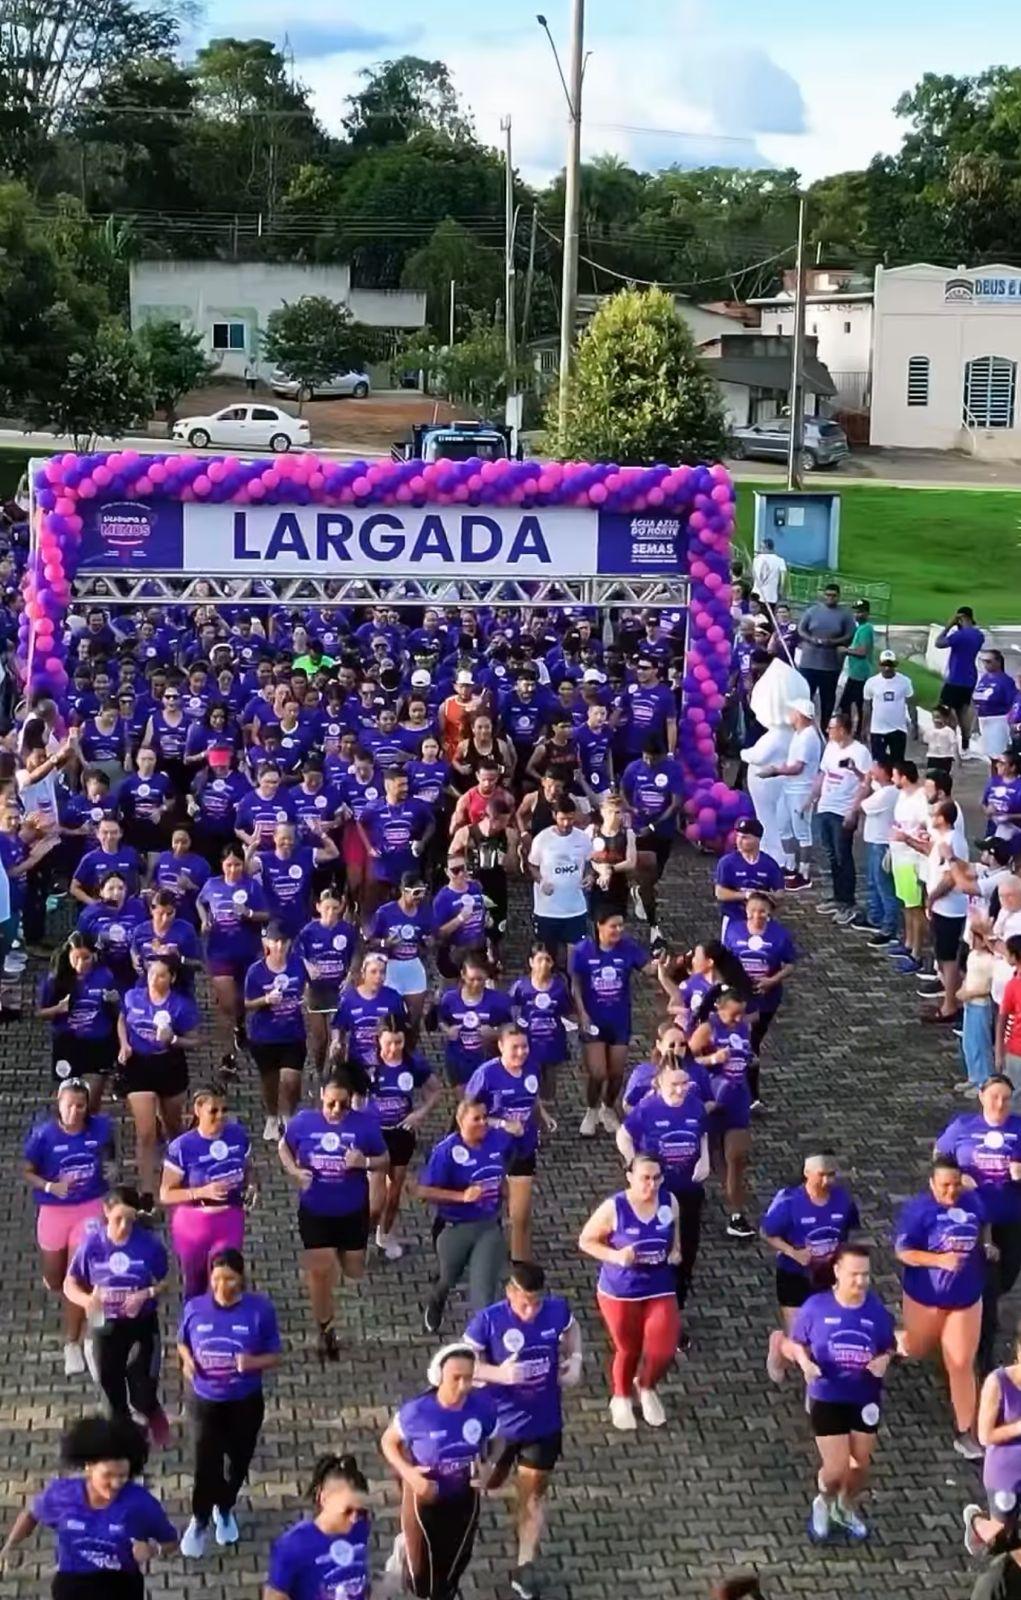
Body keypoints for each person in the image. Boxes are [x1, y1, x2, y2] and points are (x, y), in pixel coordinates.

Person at [464, 1262, 582, 1600]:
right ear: (510, 1293)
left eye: (535, 1302)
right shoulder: (489, 1320)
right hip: (500, 1427)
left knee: (532, 1495)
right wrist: (499, 1375)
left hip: (543, 1424)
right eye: (523, 1303)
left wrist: (575, 1361)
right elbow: (462, 1365)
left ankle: (525, 1564)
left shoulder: (556, 1310)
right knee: (488, 1483)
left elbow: (573, 1332)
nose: (530, 1310)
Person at [785, 1243, 896, 1543]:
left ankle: (844, 1508)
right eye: (854, 1275)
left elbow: (889, 1346)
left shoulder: (876, 1312)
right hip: (828, 1395)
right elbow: (797, 1342)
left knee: (859, 1465)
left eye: (866, 1275)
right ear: (837, 1271)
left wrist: (885, 1359)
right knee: (834, 1470)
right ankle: (823, 1502)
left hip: (864, 1397)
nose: (860, 1282)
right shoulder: (816, 1308)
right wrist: (805, 1363)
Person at [0, 1413, 176, 1598]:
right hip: (73, 1582)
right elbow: (31, 1514)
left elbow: (171, 1542)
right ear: (88, 1467)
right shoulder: (61, 1494)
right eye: (108, 1475)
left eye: (123, 1476)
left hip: (121, 1585)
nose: (116, 1483)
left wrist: (153, 1550)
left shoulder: (142, 1504)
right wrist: (9, 1547)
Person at [177, 1248, 281, 1559]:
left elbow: (275, 1355)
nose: (222, 1287)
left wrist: (252, 1362)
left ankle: (225, 1507)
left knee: (237, 1462)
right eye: (217, 1279)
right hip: (204, 1402)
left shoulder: (259, 1311)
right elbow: (182, 1342)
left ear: (242, 1279)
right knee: (205, 1465)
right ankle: (200, 1519)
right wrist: (186, 1363)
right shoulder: (195, 1308)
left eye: (230, 1280)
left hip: (244, 1402)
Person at [277, 1068, 387, 1363]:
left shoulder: (365, 1125)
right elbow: (283, 1147)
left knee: (352, 1270)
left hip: (352, 1211)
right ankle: (325, 1328)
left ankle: (331, 1270)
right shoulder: (303, 1123)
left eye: (343, 1104)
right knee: (320, 1271)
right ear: (320, 1097)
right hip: (315, 1211)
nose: (337, 1110)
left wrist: (363, 1161)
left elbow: (384, 1160)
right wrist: (295, 1172)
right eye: (331, 1104)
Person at [380, 1344, 497, 1600]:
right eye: (456, 1378)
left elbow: (497, 1438)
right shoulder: (417, 1412)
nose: (463, 1385)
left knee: (454, 1564)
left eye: (469, 1377)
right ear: (438, 1376)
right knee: (422, 1580)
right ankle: (406, 1560)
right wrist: (408, 1474)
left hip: (465, 1496)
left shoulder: (483, 1407)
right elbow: (388, 1441)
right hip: (424, 1497)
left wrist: (490, 1467)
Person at [895, 1154, 988, 1458]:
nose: (951, 1192)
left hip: (965, 1299)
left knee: (961, 1363)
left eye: (956, 1185)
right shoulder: (919, 1212)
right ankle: (886, 1345)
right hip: (926, 1299)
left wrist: (987, 1246)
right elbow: (904, 1252)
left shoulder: (973, 1203)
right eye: (945, 1186)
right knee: (915, 1348)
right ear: (932, 1185)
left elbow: (981, 1228)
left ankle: (966, 1433)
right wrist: (939, 1260)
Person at [579, 1153, 681, 1430]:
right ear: (630, 1177)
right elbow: (586, 1240)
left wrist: (675, 1252)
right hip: (620, 1291)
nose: (652, 1185)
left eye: (657, 1178)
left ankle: (646, 1386)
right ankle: (621, 1396)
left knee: (664, 1348)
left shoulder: (669, 1201)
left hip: (659, 1286)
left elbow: (675, 1236)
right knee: (629, 1348)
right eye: (645, 1178)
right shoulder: (615, 1207)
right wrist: (615, 1256)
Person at [64, 1186, 171, 1448]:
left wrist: (146, 1294)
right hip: (105, 1326)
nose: (124, 1226)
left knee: (142, 1389)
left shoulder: (149, 1245)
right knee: (112, 1394)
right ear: (106, 1212)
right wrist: (87, 1300)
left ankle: (154, 1414)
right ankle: (125, 1439)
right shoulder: (91, 1245)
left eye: (130, 1219)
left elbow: (167, 1281)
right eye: (118, 1219)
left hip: (142, 1325)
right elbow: (70, 1283)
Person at [24, 1080, 113, 1376]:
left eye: (80, 1105)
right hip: (53, 1210)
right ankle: (63, 1289)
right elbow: (26, 1170)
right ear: (58, 1103)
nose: (74, 1111)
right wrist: (51, 1186)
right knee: (55, 1278)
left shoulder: (100, 1128)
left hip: (89, 1208)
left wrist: (111, 1170)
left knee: (77, 1277)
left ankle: (73, 1342)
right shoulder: (43, 1135)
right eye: (68, 1105)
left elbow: (110, 1154)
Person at [936, 1076, 1021, 1375]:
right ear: (982, 1096)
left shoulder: (1018, 1128)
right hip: (970, 1221)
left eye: (1006, 1099)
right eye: (995, 1097)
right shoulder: (963, 1127)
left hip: (1010, 1218)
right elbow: (939, 1158)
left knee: (1006, 1278)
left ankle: (964, 1317)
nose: (1000, 1104)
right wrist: (958, 1179)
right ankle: (980, 1357)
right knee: (987, 1285)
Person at [617, 1058, 710, 1310]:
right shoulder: (647, 1108)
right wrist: (634, 1165)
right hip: (655, 1192)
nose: (680, 1089)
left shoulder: (695, 1106)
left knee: (686, 1249)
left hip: (687, 1188)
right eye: (674, 1084)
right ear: (659, 1083)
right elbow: (623, 1136)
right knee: (656, 1246)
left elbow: (702, 1133)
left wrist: (705, 1159)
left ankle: (677, 1303)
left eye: (684, 1083)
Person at [415, 1097, 512, 1333]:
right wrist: (462, 1197)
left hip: (488, 1225)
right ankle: (437, 1299)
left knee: (485, 1286)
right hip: (454, 1226)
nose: (482, 1123)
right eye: (475, 1119)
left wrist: (507, 1202)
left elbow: (502, 1173)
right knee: (449, 1276)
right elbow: (423, 1191)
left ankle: (484, 1336)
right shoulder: (446, 1151)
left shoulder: (496, 1142)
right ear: (460, 1121)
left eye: (484, 1118)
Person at [762, 1151, 861, 1378]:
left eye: (832, 1175)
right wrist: (793, 1253)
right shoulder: (788, 1202)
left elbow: (846, 1234)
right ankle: (779, 1345)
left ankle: (817, 1391)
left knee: (825, 1336)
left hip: (827, 1276)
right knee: (800, 1340)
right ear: (807, 1174)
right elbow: (766, 1232)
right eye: (822, 1175)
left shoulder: (842, 1200)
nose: (827, 1181)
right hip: (794, 1275)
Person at [116, 958, 200, 1206]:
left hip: (169, 1065)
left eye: (162, 975)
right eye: (152, 974)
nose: (155, 979)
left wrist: (174, 1040)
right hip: (138, 1066)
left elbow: (195, 1041)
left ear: (172, 978)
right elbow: (122, 1019)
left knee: (173, 1128)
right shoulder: (133, 996)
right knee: (145, 1133)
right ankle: (147, 1192)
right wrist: (124, 1044)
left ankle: (179, 1172)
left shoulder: (181, 1006)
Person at [466, 1022, 551, 1264]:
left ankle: (519, 1262)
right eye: (515, 1048)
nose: (521, 1053)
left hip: (523, 1147)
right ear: (501, 1046)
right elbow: (468, 1113)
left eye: (524, 1047)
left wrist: (542, 1116)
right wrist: (502, 1124)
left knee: (521, 1214)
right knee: (488, 1207)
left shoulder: (532, 1069)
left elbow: (531, 1100)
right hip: (491, 1148)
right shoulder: (486, 1074)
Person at [160, 1088, 254, 1299]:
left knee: (227, 1276)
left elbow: (247, 1167)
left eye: (224, 1110)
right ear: (198, 1110)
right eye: (214, 1111)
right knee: (195, 1282)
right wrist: (202, 1191)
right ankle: (194, 1327)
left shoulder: (237, 1135)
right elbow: (166, 1194)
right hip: (194, 1223)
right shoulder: (182, 1147)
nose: (220, 1116)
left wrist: (252, 1186)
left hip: (229, 1217)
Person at [367, 1017, 443, 1261]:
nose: (393, 1049)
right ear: (378, 1041)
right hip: (375, 1135)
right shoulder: (368, 1066)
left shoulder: (413, 1064)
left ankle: (385, 1235)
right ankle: (357, 1240)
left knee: (394, 1191)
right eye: (388, 1043)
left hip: (402, 1133)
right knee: (374, 1199)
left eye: (398, 1043)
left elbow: (437, 1090)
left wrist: (421, 1113)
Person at [570, 909, 649, 1136]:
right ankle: (591, 1110)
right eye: (613, 926)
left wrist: (666, 965)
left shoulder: (628, 948)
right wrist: (582, 1013)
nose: (619, 931)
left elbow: (648, 969)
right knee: (598, 1073)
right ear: (599, 926)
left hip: (619, 1021)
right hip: (593, 1021)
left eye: (621, 926)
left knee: (616, 1074)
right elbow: (575, 983)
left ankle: (607, 1108)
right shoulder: (583, 950)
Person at [689, 986, 756, 1239]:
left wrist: (749, 1058)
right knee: (712, 1154)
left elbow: (744, 1051)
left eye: (742, 1014)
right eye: (734, 1015)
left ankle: (736, 1214)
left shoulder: (742, 1026)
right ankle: (696, 1191)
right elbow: (686, 1059)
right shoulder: (708, 1028)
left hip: (737, 1095)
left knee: (737, 1157)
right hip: (712, 1095)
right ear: (720, 1008)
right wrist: (713, 1059)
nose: (739, 1020)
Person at [196, 843, 269, 1077]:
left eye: (237, 864)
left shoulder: (252, 886)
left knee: (240, 1001)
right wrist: (204, 920)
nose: (233, 870)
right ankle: (227, 1057)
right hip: (219, 952)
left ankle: (241, 1025)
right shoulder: (212, 885)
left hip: (248, 951)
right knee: (225, 1005)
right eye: (229, 865)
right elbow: (200, 902)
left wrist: (248, 914)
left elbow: (266, 914)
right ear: (222, 864)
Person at [723, 892, 797, 1104]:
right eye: (753, 911)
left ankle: (748, 1091)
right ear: (746, 911)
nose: (757, 916)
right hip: (739, 997)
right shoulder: (734, 930)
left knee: (752, 1040)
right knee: (743, 1040)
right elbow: (726, 960)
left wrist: (772, 981)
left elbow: (790, 964)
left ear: (770, 913)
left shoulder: (780, 935)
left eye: (762, 911)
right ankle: (745, 1090)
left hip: (766, 998)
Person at [264, 1454, 371, 1600]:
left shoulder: (360, 1527)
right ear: (324, 1499)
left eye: (360, 1511)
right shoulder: (292, 1546)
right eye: (347, 1511)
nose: (354, 1519)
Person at [37, 933, 120, 1110]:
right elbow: (40, 1013)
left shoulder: (105, 976)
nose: (81, 964)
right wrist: (58, 1009)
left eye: (86, 958)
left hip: (98, 1043)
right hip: (67, 1044)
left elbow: (117, 1009)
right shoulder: (55, 980)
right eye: (76, 958)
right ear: (68, 955)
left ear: (94, 955)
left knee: (90, 1103)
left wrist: (114, 1001)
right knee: (68, 1104)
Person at [244, 922, 308, 1140]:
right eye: (275, 942)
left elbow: (307, 988)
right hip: (265, 1036)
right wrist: (265, 1000)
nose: (279, 946)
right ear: (267, 944)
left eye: (283, 942)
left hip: (293, 1033)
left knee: (291, 1081)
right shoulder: (256, 971)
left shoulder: (298, 964)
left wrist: (307, 997)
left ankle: (288, 1117)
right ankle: (272, 1117)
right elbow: (247, 1003)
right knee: (269, 1081)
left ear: (289, 944)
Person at [963, 1326, 1021, 1558]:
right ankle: (977, 1523)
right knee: (999, 1537)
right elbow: (985, 1436)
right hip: (1005, 1472)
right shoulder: (998, 1382)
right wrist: (1017, 1428)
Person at [810, 713, 870, 924]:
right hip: (826, 806)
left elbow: (866, 783)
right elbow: (823, 774)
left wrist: (854, 811)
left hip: (843, 810)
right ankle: (837, 896)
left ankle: (847, 900)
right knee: (831, 854)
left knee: (843, 855)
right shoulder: (830, 747)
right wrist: (813, 797)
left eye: (831, 728)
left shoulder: (860, 752)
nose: (828, 731)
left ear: (842, 730)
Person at [294, 884, 358, 1077]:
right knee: (320, 1038)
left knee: (339, 1038)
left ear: (341, 908)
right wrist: (307, 965)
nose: (330, 912)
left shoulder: (347, 930)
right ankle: (319, 1069)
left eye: (335, 908)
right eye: (326, 907)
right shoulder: (308, 932)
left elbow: (356, 955)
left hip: (339, 990)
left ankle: (337, 1073)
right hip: (316, 991)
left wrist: (351, 975)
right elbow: (297, 955)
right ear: (318, 907)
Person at [528, 798, 593, 966]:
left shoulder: (583, 839)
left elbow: (589, 863)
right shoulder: (542, 839)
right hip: (547, 910)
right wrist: (541, 881)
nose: (566, 823)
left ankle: (573, 988)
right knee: (549, 959)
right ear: (554, 816)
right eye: (562, 818)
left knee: (575, 961)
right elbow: (532, 865)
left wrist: (590, 876)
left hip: (575, 908)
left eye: (570, 818)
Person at [768, 698, 823, 892]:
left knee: (802, 832)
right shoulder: (799, 734)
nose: (790, 715)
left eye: (792, 711)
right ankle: (789, 866)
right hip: (789, 788)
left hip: (801, 790)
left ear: (799, 714)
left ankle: (804, 873)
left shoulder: (808, 737)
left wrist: (776, 771)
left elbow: (797, 768)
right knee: (784, 826)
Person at [510, 942, 573, 1105]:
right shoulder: (521, 987)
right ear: (531, 962)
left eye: (548, 960)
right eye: (539, 960)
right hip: (529, 1042)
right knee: (529, 1075)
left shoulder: (559, 987)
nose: (543, 964)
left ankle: (548, 1104)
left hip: (552, 1040)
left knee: (550, 1075)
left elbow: (566, 1010)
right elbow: (511, 1008)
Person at [795, 583, 855, 731]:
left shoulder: (845, 615)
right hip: (809, 662)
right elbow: (801, 629)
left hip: (830, 664)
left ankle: (825, 729)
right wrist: (811, 639)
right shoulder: (812, 611)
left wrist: (834, 642)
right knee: (805, 697)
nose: (830, 598)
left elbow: (850, 634)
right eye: (828, 595)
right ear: (823, 595)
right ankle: (804, 727)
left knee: (827, 699)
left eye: (833, 595)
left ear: (838, 596)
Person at [713, 818, 784, 927]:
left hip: (760, 920)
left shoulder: (769, 864)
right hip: (734, 917)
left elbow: (780, 892)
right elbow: (720, 893)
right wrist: (746, 895)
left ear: (757, 839)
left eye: (745, 838)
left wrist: (765, 896)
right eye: (738, 836)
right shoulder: (727, 863)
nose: (739, 841)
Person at [936, 607, 985, 754]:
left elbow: (938, 643)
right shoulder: (979, 635)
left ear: (962, 618)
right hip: (969, 678)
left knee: (944, 709)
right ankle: (965, 743)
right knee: (962, 711)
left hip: (955, 678)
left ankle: (949, 741)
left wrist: (949, 625)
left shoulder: (959, 635)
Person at [862, 649, 917, 767]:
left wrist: (914, 724)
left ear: (895, 665)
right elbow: (867, 707)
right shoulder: (871, 683)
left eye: (890, 665)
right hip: (877, 730)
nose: (887, 668)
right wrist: (864, 728)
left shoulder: (905, 682)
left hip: (898, 729)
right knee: (878, 764)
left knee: (898, 764)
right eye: (884, 665)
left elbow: (911, 704)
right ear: (880, 665)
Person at [838, 599, 876, 735]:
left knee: (847, 704)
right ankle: (857, 731)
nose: (857, 614)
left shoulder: (866, 629)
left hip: (860, 674)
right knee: (857, 704)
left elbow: (862, 652)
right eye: (855, 612)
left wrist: (845, 650)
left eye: (860, 612)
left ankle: (852, 731)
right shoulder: (860, 628)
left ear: (867, 613)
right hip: (855, 673)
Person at [976, 650, 1020, 764]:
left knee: (999, 756)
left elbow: (1012, 703)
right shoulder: (984, 678)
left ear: (998, 662)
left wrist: (1011, 722)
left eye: (989, 661)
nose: (986, 665)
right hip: (982, 720)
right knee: (989, 757)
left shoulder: (1005, 681)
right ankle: (993, 779)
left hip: (997, 720)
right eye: (983, 662)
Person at [751, 538, 787, 606]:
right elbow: (783, 578)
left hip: (756, 593)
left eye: (761, 547)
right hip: (771, 595)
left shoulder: (757, 559)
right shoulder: (780, 560)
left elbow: (753, 575)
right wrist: (781, 590)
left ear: (765, 548)